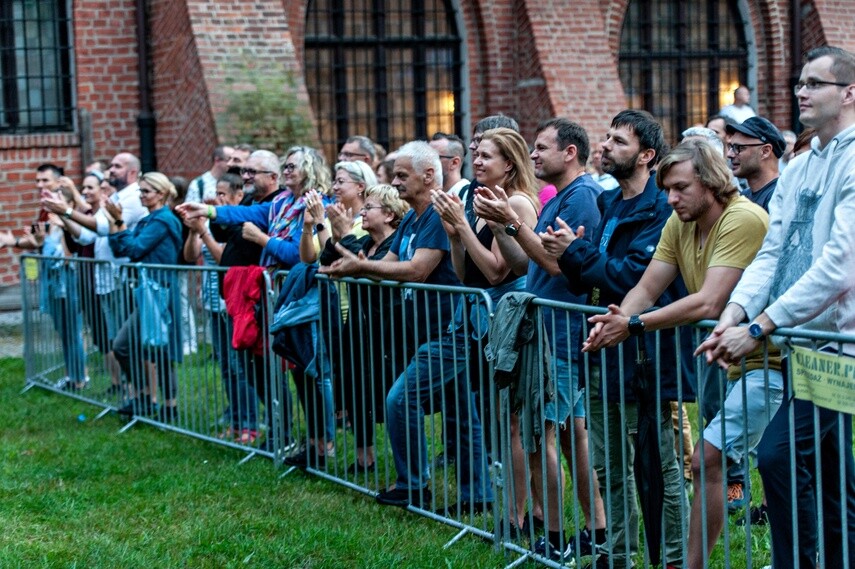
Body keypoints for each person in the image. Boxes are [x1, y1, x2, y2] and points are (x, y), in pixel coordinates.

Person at [697, 45, 855, 569]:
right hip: (798, 340)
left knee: (780, 456)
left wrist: (761, 325)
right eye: (800, 83)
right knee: (830, 469)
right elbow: (774, 251)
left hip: (838, 345)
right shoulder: (804, 163)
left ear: (849, 93)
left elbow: (839, 263)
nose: (802, 92)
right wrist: (734, 314)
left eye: (816, 83)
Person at [582, 139, 771, 569]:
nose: (670, 198)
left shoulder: (742, 218)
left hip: (768, 360)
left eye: (680, 188)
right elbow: (647, 287)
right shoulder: (679, 221)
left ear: (710, 182)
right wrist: (616, 321)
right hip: (715, 355)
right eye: (666, 189)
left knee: (729, 459)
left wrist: (632, 325)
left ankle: (746, 518)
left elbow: (708, 302)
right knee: (716, 458)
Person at [541, 109, 692, 568]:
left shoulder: (660, 208)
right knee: (610, 468)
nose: (605, 147)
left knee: (660, 467)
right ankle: (618, 554)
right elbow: (591, 278)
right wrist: (567, 254)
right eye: (606, 138)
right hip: (606, 353)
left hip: (648, 356)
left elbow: (634, 278)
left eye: (618, 142)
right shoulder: (609, 204)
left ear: (647, 155)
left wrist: (578, 252)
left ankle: (675, 558)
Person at [321, 141, 491, 512]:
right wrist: (353, 257)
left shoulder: (435, 211)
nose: (394, 181)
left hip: (450, 330)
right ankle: (478, 496)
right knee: (462, 414)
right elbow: (391, 260)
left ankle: (414, 485)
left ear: (430, 175)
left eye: (402, 174)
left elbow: (417, 269)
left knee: (401, 399)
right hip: (428, 330)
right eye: (394, 174)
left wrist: (361, 267)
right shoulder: (413, 216)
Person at [474, 117, 603, 562]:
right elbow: (525, 265)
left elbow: (560, 268)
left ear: (570, 152)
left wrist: (511, 221)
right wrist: (498, 226)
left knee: (539, 436)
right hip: (548, 331)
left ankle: (554, 534)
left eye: (542, 148)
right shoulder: (559, 199)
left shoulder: (582, 198)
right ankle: (596, 529)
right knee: (567, 438)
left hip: (562, 336)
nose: (534, 156)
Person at [431, 127, 539, 519]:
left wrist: (462, 227)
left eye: (486, 156)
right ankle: (516, 510)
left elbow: (496, 272)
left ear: (508, 165)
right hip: (483, 317)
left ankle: (518, 514)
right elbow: (466, 275)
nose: (477, 161)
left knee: (515, 423)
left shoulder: (518, 205)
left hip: (511, 318)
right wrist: (456, 236)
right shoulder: (478, 200)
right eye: (475, 155)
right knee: (502, 420)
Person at [318, 184, 410, 473]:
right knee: (357, 389)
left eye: (369, 207)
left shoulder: (395, 244)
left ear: (390, 214)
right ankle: (363, 457)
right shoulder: (363, 242)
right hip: (357, 327)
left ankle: (405, 465)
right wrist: (336, 231)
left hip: (388, 330)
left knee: (391, 396)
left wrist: (347, 237)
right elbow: (326, 261)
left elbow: (376, 271)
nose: (362, 212)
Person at [182, 172, 257, 442]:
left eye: (224, 194)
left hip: (234, 302)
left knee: (240, 366)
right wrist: (195, 231)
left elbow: (224, 259)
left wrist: (204, 230)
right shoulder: (215, 223)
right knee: (225, 365)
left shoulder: (237, 224)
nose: (218, 198)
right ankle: (236, 421)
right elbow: (191, 255)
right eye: (218, 193)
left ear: (239, 196)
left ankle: (251, 423)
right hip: (213, 300)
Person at [107, 172, 183, 422]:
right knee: (138, 347)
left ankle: (168, 405)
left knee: (148, 348)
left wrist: (120, 224)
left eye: (146, 191)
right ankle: (144, 398)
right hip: (147, 291)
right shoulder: (148, 220)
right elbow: (120, 249)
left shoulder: (163, 220)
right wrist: (116, 223)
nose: (141, 196)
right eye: (140, 191)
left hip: (159, 292)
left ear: (161, 194)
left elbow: (135, 250)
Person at [300, 159, 375, 263]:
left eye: (340, 182)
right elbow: (307, 258)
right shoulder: (334, 216)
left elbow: (331, 256)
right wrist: (307, 225)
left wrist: (319, 220)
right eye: (334, 182)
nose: (334, 187)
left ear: (360, 187)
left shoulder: (367, 220)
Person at [725, 116, 786, 211]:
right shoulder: (744, 196)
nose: (729, 154)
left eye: (739, 148)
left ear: (765, 151)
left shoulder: (779, 197)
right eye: (731, 147)